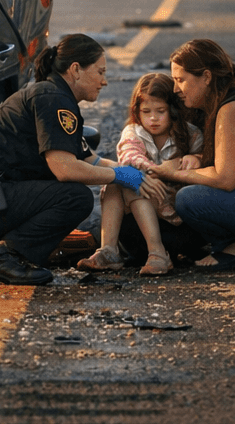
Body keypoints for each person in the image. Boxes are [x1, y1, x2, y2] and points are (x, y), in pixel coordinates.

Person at [0, 34, 159, 285]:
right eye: (100, 72)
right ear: (76, 69)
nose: (104, 81)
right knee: (75, 197)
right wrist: (120, 176)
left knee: (54, 189)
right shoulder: (53, 98)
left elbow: (90, 160)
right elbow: (65, 169)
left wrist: (135, 171)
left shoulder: (51, 94)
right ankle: (6, 257)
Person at [148, 38, 235, 270]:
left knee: (189, 198)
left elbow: (225, 178)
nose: (175, 89)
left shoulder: (234, 109)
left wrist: (170, 173)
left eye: (180, 80)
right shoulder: (223, 104)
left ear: (206, 77)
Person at [82, 72, 202, 276]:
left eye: (160, 111)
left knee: (132, 181)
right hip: (142, 216)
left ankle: (158, 253)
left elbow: (209, 161)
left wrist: (197, 158)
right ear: (137, 112)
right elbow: (129, 155)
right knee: (121, 179)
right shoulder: (134, 131)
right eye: (146, 111)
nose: (153, 118)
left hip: (176, 215)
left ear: (173, 110)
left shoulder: (190, 134)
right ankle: (109, 250)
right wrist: (149, 174)